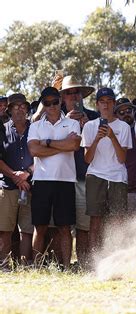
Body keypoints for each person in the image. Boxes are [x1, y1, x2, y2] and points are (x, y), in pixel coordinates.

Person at [27, 87, 81, 269]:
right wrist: (62, 145)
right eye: (47, 103)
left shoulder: (72, 123)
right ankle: (36, 266)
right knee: (39, 227)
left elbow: (74, 145)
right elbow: (34, 150)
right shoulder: (35, 126)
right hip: (41, 181)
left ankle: (66, 267)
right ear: (43, 104)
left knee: (65, 227)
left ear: (61, 101)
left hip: (65, 181)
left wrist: (47, 142)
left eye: (54, 102)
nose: (51, 106)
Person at [81, 88, 132, 254]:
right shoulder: (89, 126)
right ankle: (94, 261)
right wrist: (96, 138)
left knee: (118, 221)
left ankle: (117, 258)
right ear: (97, 105)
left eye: (109, 101)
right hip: (96, 175)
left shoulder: (123, 127)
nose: (106, 104)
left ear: (114, 104)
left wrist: (112, 137)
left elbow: (122, 158)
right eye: (102, 101)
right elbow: (87, 159)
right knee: (95, 221)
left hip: (118, 177)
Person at [58, 75, 97, 268]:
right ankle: (62, 264)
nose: (74, 96)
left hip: (84, 177)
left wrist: (87, 125)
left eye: (77, 92)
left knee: (84, 226)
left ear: (82, 96)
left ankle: (83, 264)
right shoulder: (55, 118)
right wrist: (65, 122)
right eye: (69, 93)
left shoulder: (94, 117)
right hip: (61, 179)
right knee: (62, 226)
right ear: (63, 97)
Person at [0, 94, 34, 266]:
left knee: (27, 230)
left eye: (23, 106)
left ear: (27, 109)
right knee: (5, 229)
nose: (20, 109)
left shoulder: (35, 128)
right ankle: (4, 265)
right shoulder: (2, 129)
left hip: (30, 185)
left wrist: (26, 174)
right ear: (9, 110)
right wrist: (15, 175)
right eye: (16, 106)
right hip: (7, 186)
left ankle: (25, 265)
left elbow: (41, 155)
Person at [114, 97, 136, 213]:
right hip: (118, 189)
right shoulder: (113, 133)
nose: (126, 114)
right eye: (121, 112)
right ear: (116, 115)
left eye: (129, 111)